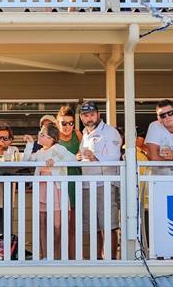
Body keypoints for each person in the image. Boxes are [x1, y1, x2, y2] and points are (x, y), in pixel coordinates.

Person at [22, 123, 76, 259]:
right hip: (42, 189)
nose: (39, 136)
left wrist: (56, 160)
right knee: (42, 223)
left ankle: (56, 255)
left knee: (57, 225)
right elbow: (26, 160)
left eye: (42, 134)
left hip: (55, 190)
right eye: (39, 133)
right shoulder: (39, 152)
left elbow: (73, 159)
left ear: (52, 138)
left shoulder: (58, 148)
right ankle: (45, 256)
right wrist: (29, 145)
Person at [76, 100, 121, 260]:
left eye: (92, 114)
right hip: (88, 184)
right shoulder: (85, 134)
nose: (89, 118)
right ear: (82, 118)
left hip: (105, 183)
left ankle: (110, 261)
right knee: (92, 225)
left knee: (108, 224)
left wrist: (95, 157)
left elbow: (116, 157)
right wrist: (80, 157)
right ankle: (96, 261)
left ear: (98, 115)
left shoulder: (110, 132)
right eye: (86, 115)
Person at [56, 105, 81, 257]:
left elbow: (85, 153)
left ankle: (73, 259)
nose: (67, 126)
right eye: (63, 123)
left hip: (75, 182)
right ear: (58, 123)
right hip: (58, 184)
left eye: (70, 123)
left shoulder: (78, 135)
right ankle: (55, 259)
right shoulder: (53, 137)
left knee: (73, 226)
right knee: (57, 226)